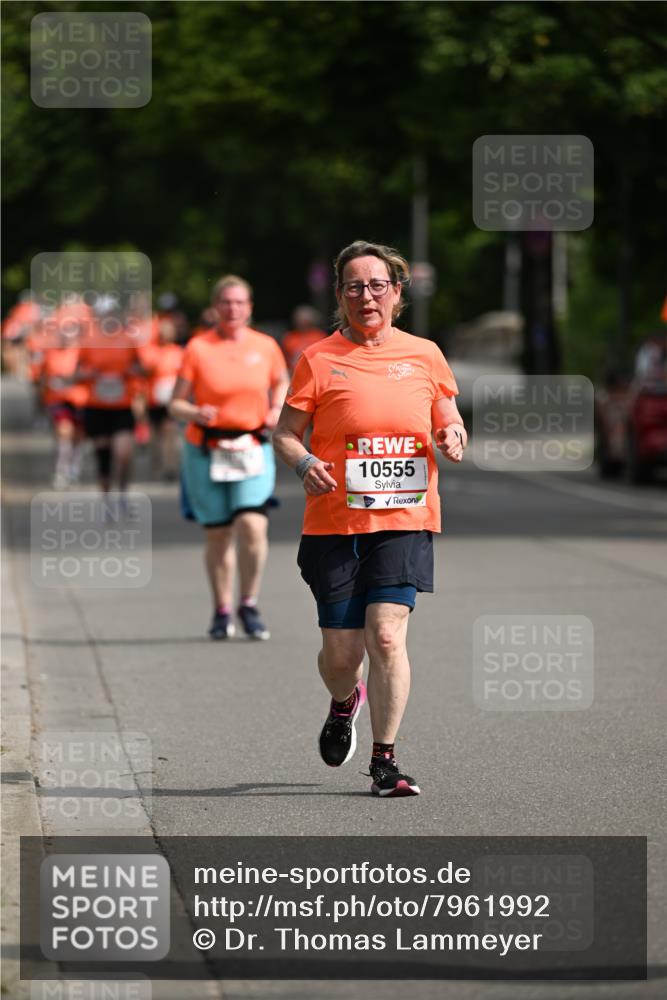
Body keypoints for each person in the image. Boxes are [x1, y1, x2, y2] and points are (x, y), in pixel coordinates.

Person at [273, 240, 467, 798]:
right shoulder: (318, 358)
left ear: (396, 293)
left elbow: (448, 415)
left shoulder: (426, 354)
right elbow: (284, 433)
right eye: (354, 286)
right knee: (342, 656)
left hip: (405, 517)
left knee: (385, 636)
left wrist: (452, 433)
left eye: (377, 285)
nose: (367, 296)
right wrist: (305, 460)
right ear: (339, 295)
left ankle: (385, 761)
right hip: (334, 524)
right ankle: (343, 702)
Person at [170, 275, 288, 640]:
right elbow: (174, 403)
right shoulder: (198, 348)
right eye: (225, 302)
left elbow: (282, 381)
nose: (232, 309)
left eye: (239, 303)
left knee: (253, 525)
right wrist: (193, 413)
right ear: (215, 307)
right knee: (219, 534)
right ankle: (222, 609)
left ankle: (248, 602)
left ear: (249, 308)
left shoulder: (266, 346)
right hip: (207, 449)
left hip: (252, 446)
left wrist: (276, 408)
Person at [74, 312, 144, 498]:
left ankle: (122, 490)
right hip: (97, 407)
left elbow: (141, 368)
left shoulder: (128, 340)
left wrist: (131, 373)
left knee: (123, 454)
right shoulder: (89, 340)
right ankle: (107, 499)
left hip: (122, 406)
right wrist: (90, 374)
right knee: (103, 456)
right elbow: (76, 373)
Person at [35, 310, 88, 488]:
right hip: (57, 400)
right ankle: (61, 470)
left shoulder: (83, 352)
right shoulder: (50, 353)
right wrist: (42, 401)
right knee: (64, 433)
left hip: (80, 400)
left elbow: (92, 373)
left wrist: (75, 378)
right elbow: (42, 378)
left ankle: (74, 468)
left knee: (78, 436)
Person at [138, 316, 184, 480]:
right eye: (162, 332)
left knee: (169, 432)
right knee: (156, 435)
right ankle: (156, 463)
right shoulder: (151, 352)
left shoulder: (179, 352)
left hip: (171, 399)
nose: (165, 335)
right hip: (154, 399)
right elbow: (144, 372)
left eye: (168, 332)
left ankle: (169, 466)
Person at [280, 306, 327, 373]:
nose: (302, 323)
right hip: (295, 373)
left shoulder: (319, 336)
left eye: (305, 321)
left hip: (316, 371)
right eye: (299, 320)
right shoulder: (289, 338)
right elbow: (284, 359)